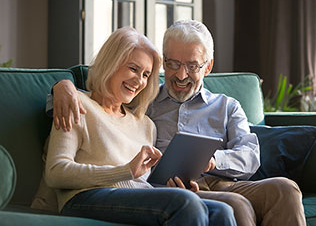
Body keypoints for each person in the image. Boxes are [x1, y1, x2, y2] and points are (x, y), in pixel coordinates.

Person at [50, 20, 306, 226]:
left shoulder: (226, 106)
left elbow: (250, 156)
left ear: (208, 67)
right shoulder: (143, 103)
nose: (181, 75)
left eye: (192, 66)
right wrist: (62, 86)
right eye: (172, 64)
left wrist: (214, 161)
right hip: (167, 188)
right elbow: (97, 100)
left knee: (285, 188)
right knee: (233, 205)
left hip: (225, 181)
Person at [45, 26, 236, 226]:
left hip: (133, 198)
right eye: (133, 69)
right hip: (84, 197)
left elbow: (143, 185)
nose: (139, 81)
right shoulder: (76, 104)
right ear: (111, 63)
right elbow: (56, 172)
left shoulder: (146, 125)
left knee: (221, 211)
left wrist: (174, 187)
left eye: (146, 75)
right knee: (185, 203)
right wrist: (125, 170)